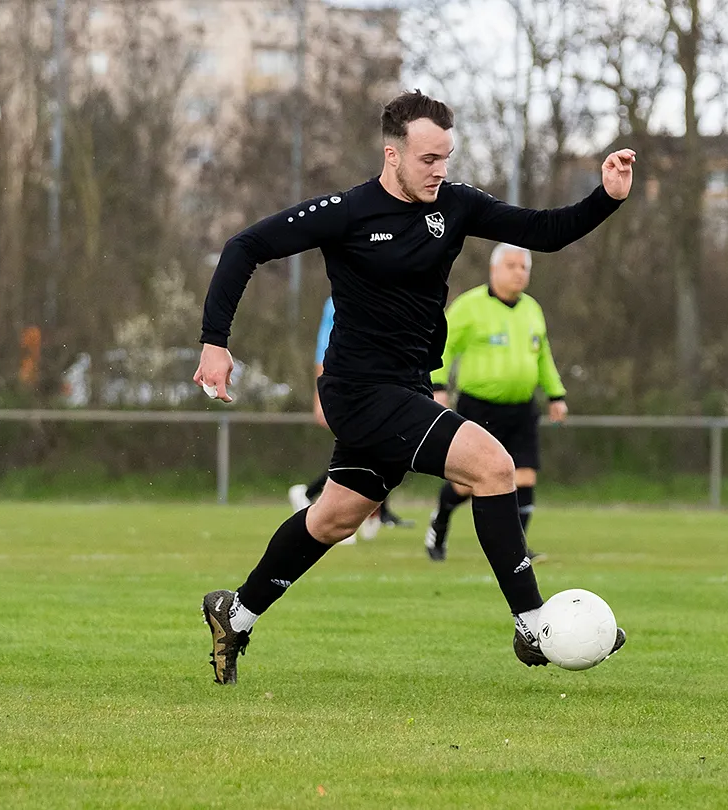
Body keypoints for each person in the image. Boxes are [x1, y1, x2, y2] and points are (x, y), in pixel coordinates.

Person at [194, 89, 633, 685]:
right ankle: (532, 626)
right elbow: (243, 246)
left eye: (446, 157)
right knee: (494, 467)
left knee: (334, 519)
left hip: (408, 389)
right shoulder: (348, 212)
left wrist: (606, 197)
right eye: (428, 159)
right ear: (393, 154)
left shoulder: (455, 205)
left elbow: (545, 232)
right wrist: (215, 342)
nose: (439, 170)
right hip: (358, 391)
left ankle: (235, 614)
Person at [425, 243, 568, 563]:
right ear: (494, 269)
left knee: (525, 476)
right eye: (512, 266)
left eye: (524, 267)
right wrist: (437, 386)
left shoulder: (532, 309)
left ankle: (517, 551)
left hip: (522, 408)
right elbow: (441, 345)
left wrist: (555, 395)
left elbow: (542, 355)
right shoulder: (470, 306)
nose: (519, 273)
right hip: (479, 408)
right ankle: (440, 521)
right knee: (467, 485)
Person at [286, 295, 413, 541]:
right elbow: (323, 347)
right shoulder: (340, 297)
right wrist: (319, 396)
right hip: (349, 387)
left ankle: (358, 508)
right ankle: (336, 514)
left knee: (378, 449)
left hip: (381, 387)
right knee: (359, 450)